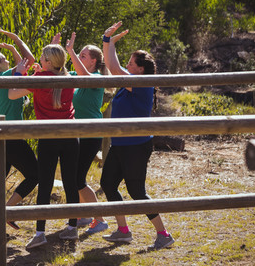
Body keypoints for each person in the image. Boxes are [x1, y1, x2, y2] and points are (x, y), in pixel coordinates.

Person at [100, 21, 175, 250]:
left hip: (136, 146)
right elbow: (113, 66)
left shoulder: (142, 84)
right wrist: (108, 40)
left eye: (131, 63)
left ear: (140, 69)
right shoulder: (128, 83)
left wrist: (108, 42)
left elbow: (112, 68)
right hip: (120, 144)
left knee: (136, 191)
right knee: (108, 183)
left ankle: (163, 234)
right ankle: (123, 231)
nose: (126, 64)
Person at [8, 43, 80, 250]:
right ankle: (72, 227)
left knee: (45, 184)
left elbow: (12, 94)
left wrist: (20, 74)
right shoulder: (69, 79)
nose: (39, 58)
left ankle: (40, 233)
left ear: (48, 62)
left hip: (48, 137)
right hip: (70, 135)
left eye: (42, 57)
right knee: (70, 183)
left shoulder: (39, 80)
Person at [0, 28, 39, 230]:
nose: (8, 61)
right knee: (35, 175)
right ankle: (8, 211)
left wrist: (13, 48)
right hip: (12, 136)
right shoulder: (3, 78)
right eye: (4, 59)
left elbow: (19, 67)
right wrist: (16, 39)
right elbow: (29, 60)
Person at [65, 32, 108, 234]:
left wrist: (70, 51)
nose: (79, 58)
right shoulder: (78, 76)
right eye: (79, 54)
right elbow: (63, 74)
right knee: (74, 177)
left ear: (93, 61)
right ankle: (84, 215)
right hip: (78, 134)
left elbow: (83, 75)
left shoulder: (96, 78)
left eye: (83, 55)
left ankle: (99, 219)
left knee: (78, 180)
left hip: (91, 134)